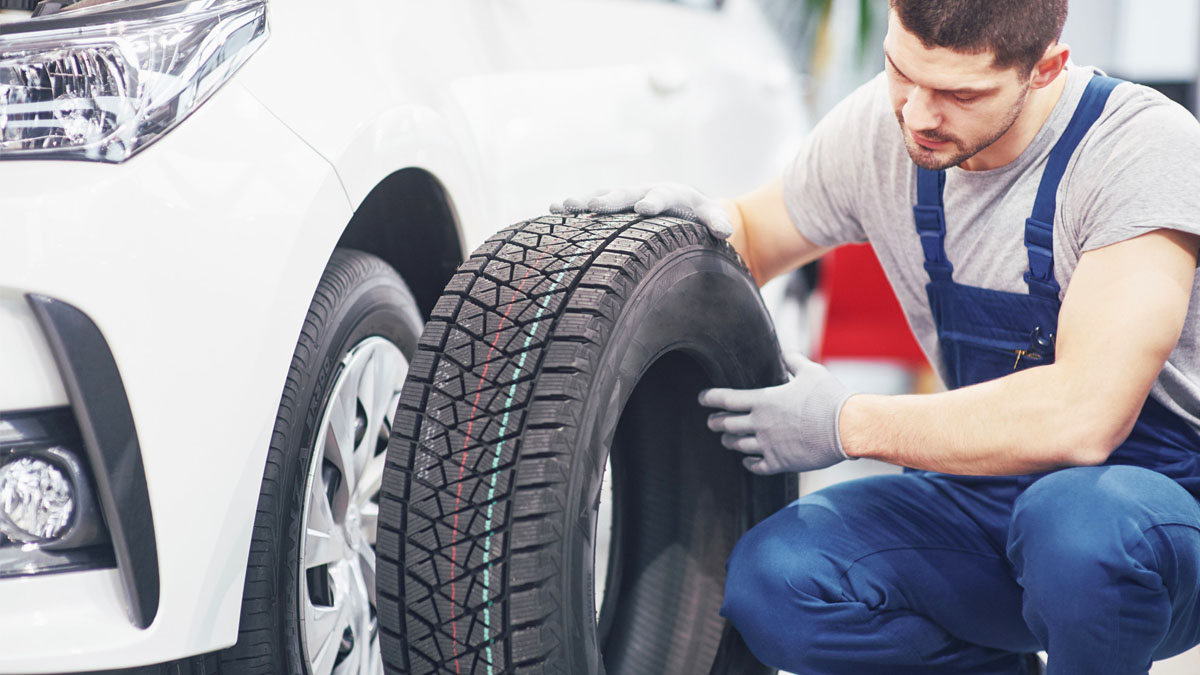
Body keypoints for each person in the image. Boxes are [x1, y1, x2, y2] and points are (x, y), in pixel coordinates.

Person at [550, 0, 1200, 672]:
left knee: (1078, 531)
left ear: (1046, 69)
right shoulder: (881, 133)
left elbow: (1084, 416)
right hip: (985, 498)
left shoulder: (1137, 149)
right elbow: (752, 232)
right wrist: (683, 227)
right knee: (778, 578)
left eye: (957, 93)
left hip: (1151, 519)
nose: (918, 115)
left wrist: (844, 424)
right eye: (900, 72)